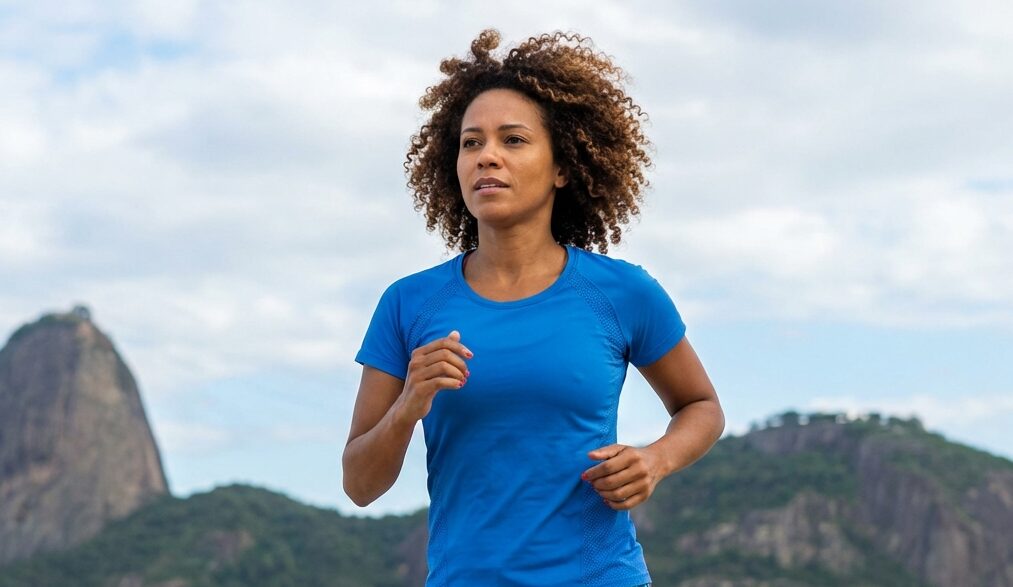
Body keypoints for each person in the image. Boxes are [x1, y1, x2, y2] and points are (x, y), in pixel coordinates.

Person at [343, 29, 724, 587]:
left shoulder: (623, 293)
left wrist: (657, 459)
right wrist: (408, 403)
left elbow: (701, 406)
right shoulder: (409, 303)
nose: (487, 156)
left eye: (513, 140)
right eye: (471, 143)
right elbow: (360, 484)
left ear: (562, 167)